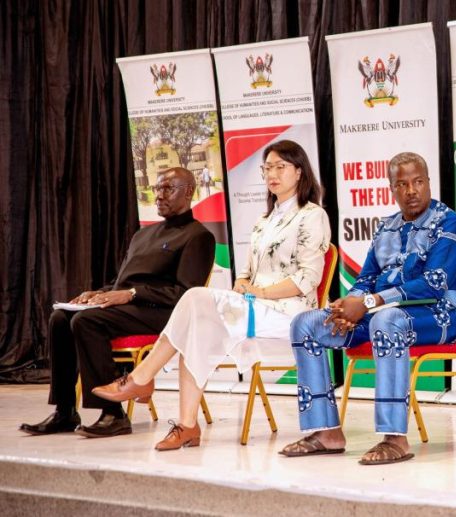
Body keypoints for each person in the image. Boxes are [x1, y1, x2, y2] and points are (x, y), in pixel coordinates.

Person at [92, 140, 330, 451]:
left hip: (292, 315)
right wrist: (244, 285)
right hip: (256, 308)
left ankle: (142, 377)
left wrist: (258, 292)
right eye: (267, 167)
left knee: (194, 298)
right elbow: (245, 273)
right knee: (196, 327)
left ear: (299, 172)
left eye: (280, 167)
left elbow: (306, 280)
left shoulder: (312, 216)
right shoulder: (263, 221)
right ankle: (187, 426)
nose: (272, 174)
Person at [279, 151, 456, 465]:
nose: (411, 190)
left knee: (387, 321)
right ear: (392, 189)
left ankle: (395, 438)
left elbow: (434, 283)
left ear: (428, 183)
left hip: (444, 315)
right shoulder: (387, 228)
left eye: (418, 182)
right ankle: (326, 432)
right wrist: (349, 304)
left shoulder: (450, 223)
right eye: (402, 184)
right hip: (385, 312)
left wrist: (370, 303)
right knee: (307, 324)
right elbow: (367, 277)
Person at [19, 167, 215, 438]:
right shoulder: (142, 235)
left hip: (165, 313)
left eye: (168, 189)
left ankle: (112, 414)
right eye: (157, 189)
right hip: (131, 307)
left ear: (189, 191)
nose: (159, 195)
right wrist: (97, 293)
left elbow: (185, 293)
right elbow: (122, 282)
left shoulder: (198, 236)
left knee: (88, 321)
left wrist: (132, 294)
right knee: (61, 318)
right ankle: (65, 411)